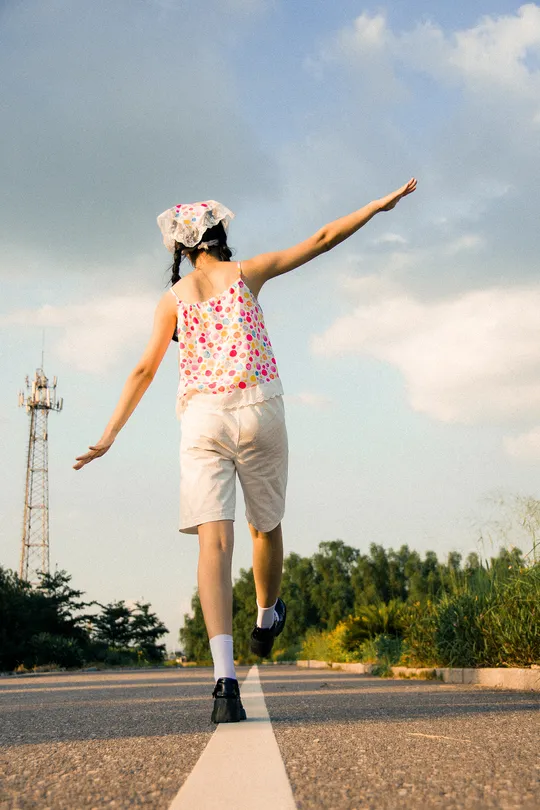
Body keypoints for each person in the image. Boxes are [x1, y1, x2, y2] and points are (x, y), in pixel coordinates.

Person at [73, 178, 417, 724]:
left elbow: (143, 369)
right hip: (259, 407)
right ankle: (265, 614)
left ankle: (224, 683)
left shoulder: (172, 300)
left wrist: (108, 436)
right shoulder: (247, 273)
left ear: (182, 247)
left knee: (215, 542)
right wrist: (377, 206)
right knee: (266, 526)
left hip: (204, 417)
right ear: (219, 235)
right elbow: (324, 237)